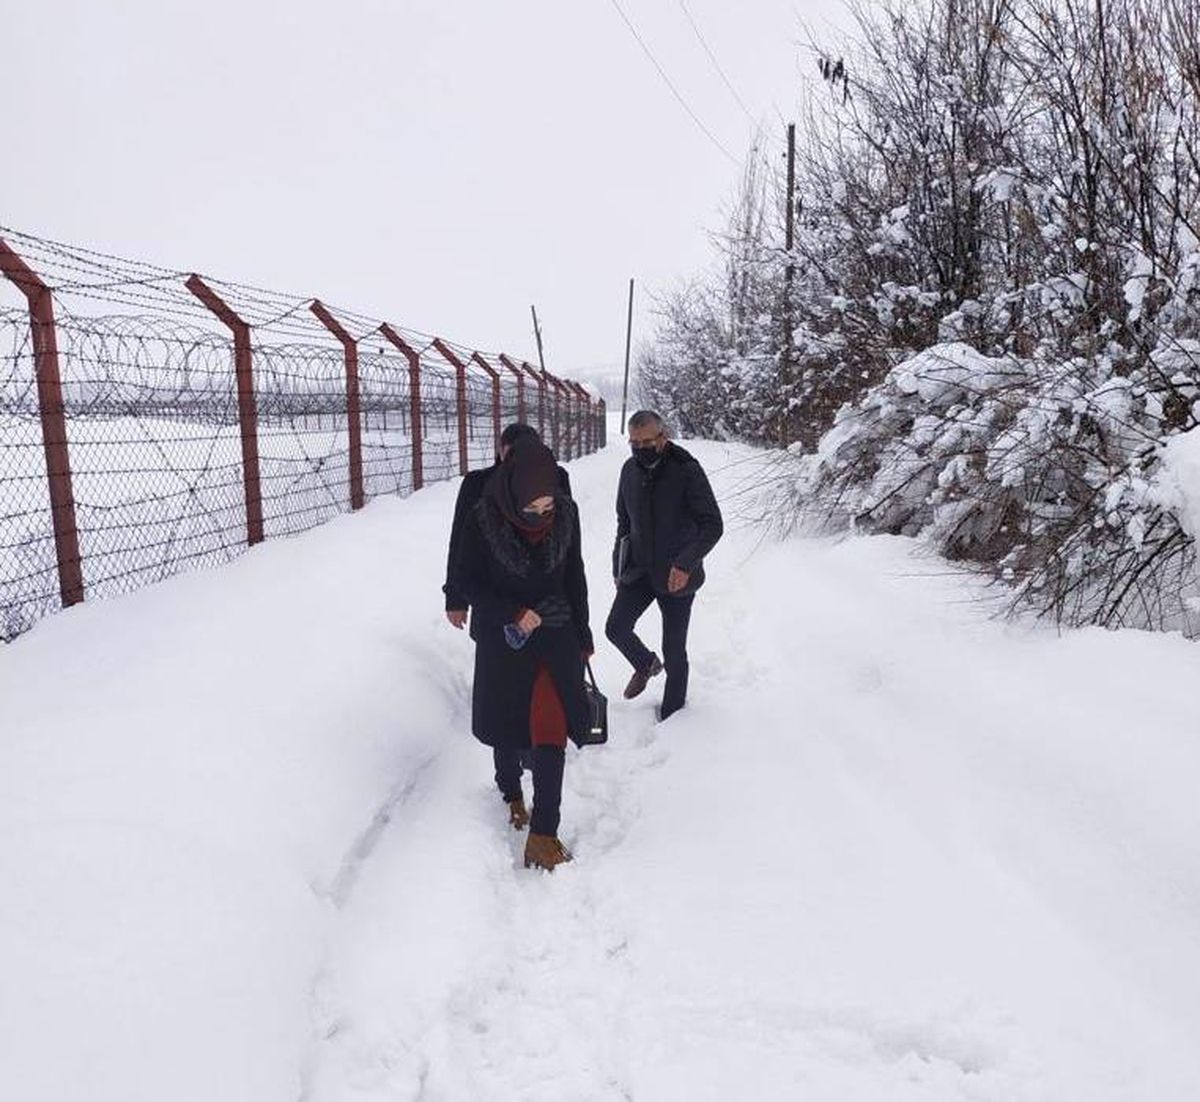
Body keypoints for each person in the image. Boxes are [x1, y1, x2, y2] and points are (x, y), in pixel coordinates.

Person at [456, 438, 593, 871]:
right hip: (506, 644)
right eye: (533, 508)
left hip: (556, 638)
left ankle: (543, 833)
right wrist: (515, 613)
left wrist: (583, 634)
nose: (542, 514)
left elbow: (576, 574)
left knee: (550, 731)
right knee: (509, 730)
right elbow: (468, 582)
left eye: (548, 505)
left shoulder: (565, 514)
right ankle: (512, 794)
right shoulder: (484, 518)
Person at [605, 410, 723, 721]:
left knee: (675, 652)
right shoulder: (629, 471)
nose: (640, 448)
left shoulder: (686, 471)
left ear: (663, 437)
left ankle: (673, 717)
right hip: (640, 570)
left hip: (677, 576)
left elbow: (713, 524)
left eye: (647, 441)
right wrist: (618, 568)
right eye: (634, 442)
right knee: (615, 628)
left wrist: (685, 564)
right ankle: (645, 664)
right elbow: (624, 524)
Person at [444, 423, 572, 629]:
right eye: (511, 451)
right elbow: (459, 540)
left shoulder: (555, 477)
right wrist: (455, 598)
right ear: (501, 450)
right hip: (492, 593)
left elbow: (564, 538)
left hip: (546, 598)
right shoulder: (478, 483)